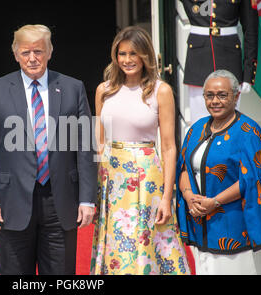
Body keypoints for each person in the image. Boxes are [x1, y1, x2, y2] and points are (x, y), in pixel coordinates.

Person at [0, 24, 97, 275]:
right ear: (16, 54)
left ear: (50, 52)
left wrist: (87, 198)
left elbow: (85, 148)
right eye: (25, 52)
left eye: (38, 51)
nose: (32, 58)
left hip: (60, 201)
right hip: (11, 203)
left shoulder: (73, 88)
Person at [90, 26, 189, 275]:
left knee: (147, 244)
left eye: (134, 54)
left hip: (147, 180)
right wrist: (93, 191)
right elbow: (98, 144)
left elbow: (168, 146)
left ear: (145, 55)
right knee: (117, 247)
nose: (127, 60)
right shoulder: (104, 90)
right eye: (122, 54)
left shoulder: (160, 91)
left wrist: (167, 197)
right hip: (111, 179)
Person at [176, 69, 261, 275]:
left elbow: (250, 179)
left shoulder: (247, 131)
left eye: (222, 95)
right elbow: (183, 168)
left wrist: (214, 202)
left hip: (236, 226)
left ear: (236, 96)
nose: (215, 101)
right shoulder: (196, 129)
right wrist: (189, 198)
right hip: (202, 226)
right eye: (209, 95)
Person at [179, 0, 258, 123]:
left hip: (229, 60)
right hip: (199, 61)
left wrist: (249, 72)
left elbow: (251, 29)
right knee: (200, 124)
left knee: (230, 124)